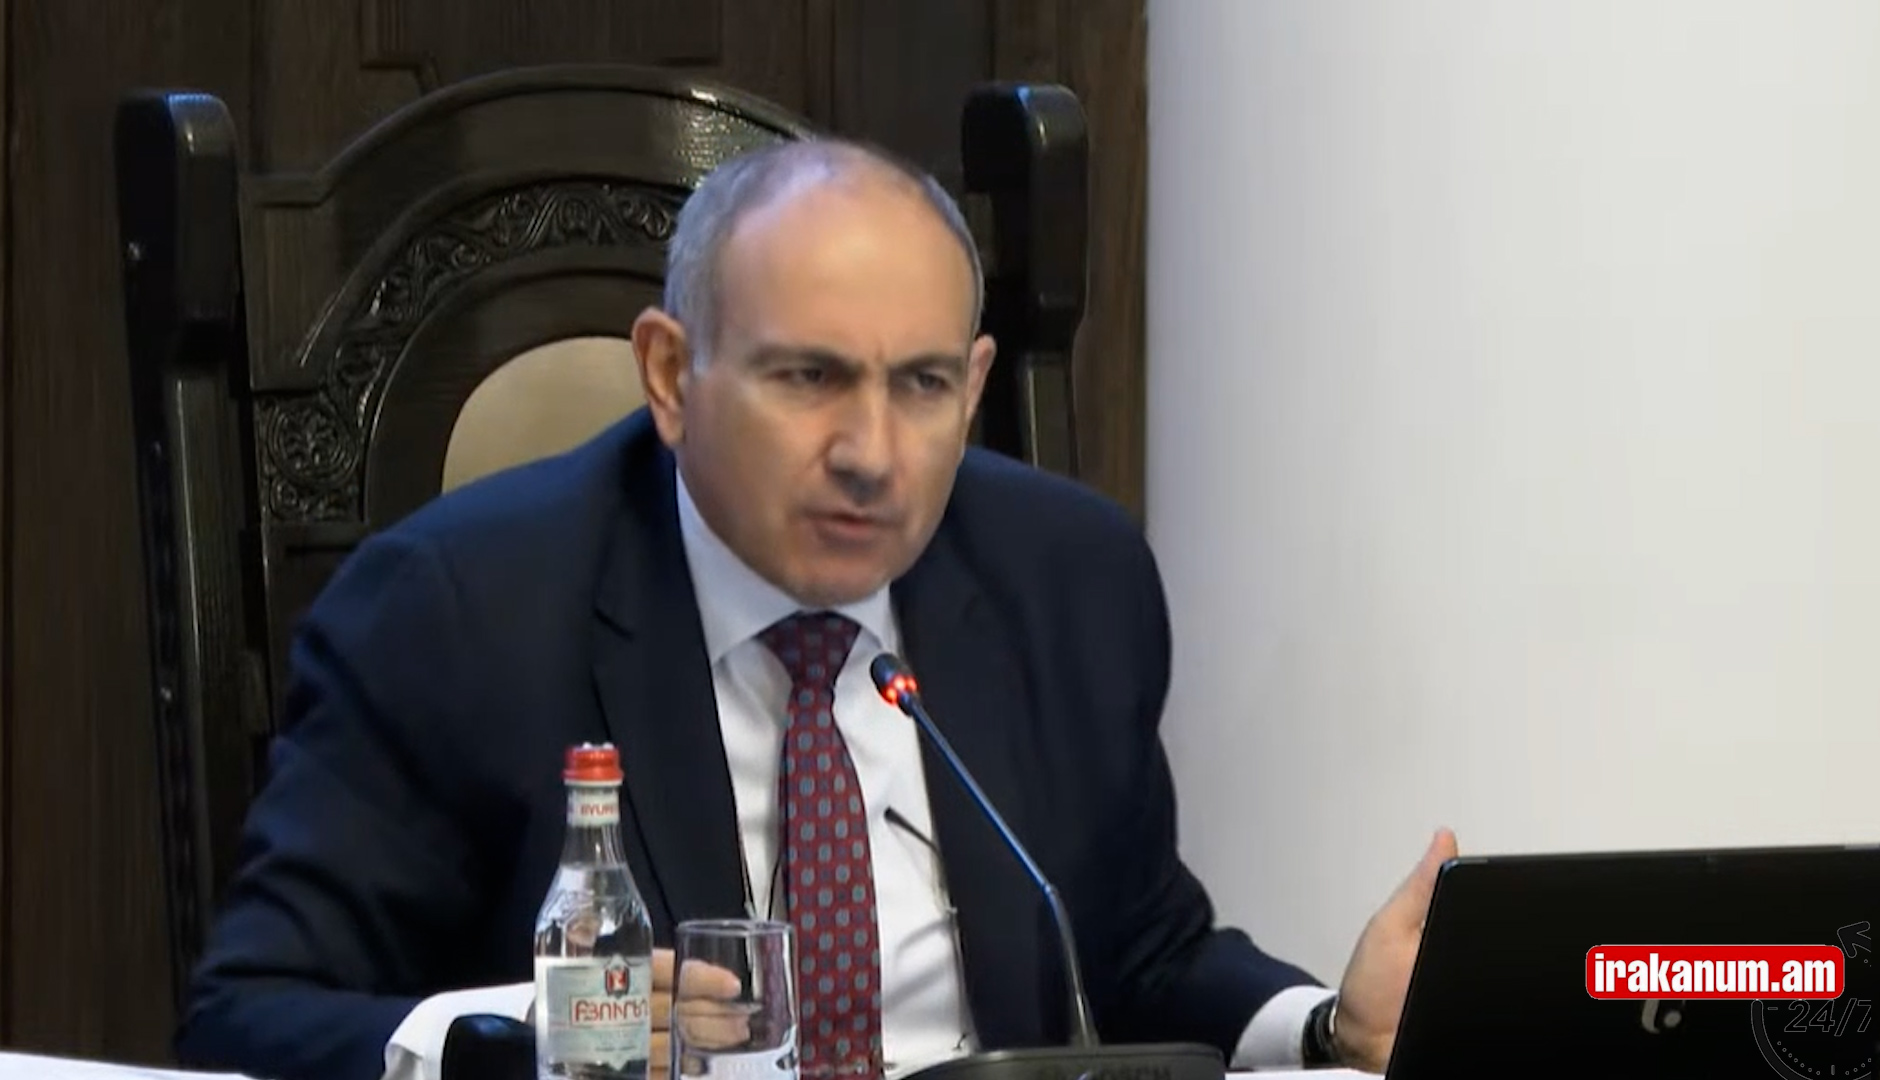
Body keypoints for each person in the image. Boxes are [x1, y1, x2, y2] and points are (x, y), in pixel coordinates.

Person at [173, 137, 1458, 1080]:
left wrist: (1329, 1030)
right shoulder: (456, 612)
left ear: (976, 387)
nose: (872, 454)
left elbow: (1131, 949)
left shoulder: (1069, 577)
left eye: (922, 386)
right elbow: (250, 1014)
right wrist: (537, 1035)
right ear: (670, 375)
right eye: (809, 378)